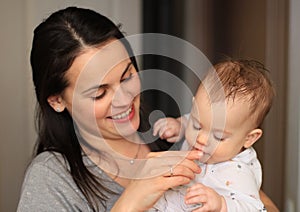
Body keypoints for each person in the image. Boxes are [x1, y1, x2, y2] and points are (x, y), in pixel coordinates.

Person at [17, 6, 203, 211]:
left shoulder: (177, 136)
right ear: (57, 101)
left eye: (127, 77)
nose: (124, 99)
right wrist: (130, 201)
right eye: (99, 93)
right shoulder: (51, 177)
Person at [152, 59, 277, 211]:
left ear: (249, 138)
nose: (201, 139)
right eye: (197, 126)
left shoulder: (238, 173)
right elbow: (197, 118)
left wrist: (221, 204)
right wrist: (181, 124)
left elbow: (254, 208)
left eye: (219, 137)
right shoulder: (205, 121)